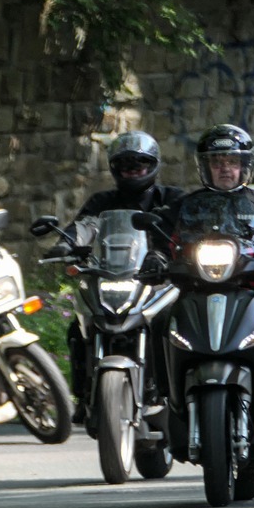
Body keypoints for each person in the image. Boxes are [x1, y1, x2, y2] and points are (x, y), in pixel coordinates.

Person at [141, 123, 254, 397]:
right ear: (204, 167)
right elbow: (162, 239)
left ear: (245, 165)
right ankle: (162, 390)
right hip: (195, 292)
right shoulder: (183, 206)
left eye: (232, 161)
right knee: (162, 319)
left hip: (252, 291)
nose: (225, 168)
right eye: (217, 162)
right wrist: (155, 257)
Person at [45, 130, 185, 423]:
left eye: (140, 164)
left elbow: (188, 230)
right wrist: (67, 243)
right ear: (114, 168)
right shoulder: (102, 201)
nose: (132, 170)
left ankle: (173, 392)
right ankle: (85, 395)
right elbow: (84, 225)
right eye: (125, 165)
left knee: (171, 324)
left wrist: (179, 251)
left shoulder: (172, 199)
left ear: (154, 165)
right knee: (80, 327)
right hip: (113, 274)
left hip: (158, 280)